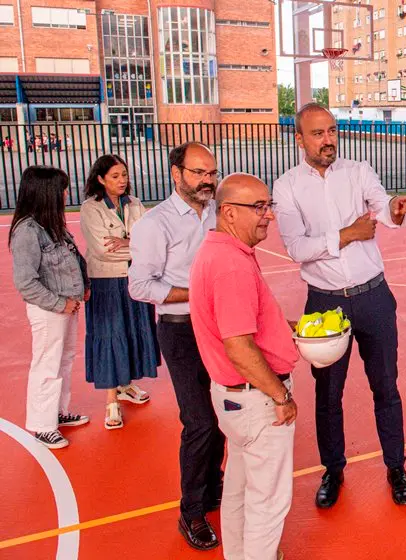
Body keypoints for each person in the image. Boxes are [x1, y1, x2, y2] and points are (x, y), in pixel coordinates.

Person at [273, 103, 406, 509]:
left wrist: (395, 210)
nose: (328, 140)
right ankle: (333, 470)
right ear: (299, 139)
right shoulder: (286, 187)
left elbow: (384, 207)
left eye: (332, 131)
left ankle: (396, 467)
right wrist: (348, 234)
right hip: (323, 304)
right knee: (328, 393)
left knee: (386, 387)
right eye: (318, 133)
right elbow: (297, 248)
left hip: (373, 296)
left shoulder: (359, 171)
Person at [190, 174, 299, 560]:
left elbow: (240, 327)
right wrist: (281, 396)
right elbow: (238, 346)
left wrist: (281, 330)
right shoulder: (231, 265)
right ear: (229, 213)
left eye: (268, 206)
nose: (268, 215)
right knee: (268, 501)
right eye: (259, 207)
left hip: (235, 400)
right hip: (256, 401)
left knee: (238, 489)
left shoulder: (220, 252)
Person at [128, 142, 224, 551]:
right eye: (198, 172)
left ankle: (213, 486)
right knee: (199, 420)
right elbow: (139, 285)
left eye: (211, 172)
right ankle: (192, 512)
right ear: (176, 173)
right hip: (181, 329)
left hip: (220, 327)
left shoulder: (218, 212)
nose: (207, 180)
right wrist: (196, 293)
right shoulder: (156, 224)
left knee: (223, 410)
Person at [9, 166, 90, 448]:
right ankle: (42, 425)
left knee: (64, 359)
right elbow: (26, 282)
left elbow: (73, 258)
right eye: (62, 189)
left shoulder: (52, 225)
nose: (66, 194)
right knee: (47, 363)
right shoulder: (28, 231)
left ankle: (57, 411)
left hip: (67, 306)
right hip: (50, 310)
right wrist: (59, 303)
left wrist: (83, 287)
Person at [80, 155, 160, 430]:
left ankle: (126, 384)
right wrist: (136, 247)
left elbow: (150, 243)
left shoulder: (135, 204)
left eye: (124, 174)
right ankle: (111, 400)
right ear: (101, 179)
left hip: (135, 279)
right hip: (106, 282)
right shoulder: (91, 209)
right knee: (110, 334)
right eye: (115, 175)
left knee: (133, 331)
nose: (122, 180)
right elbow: (103, 250)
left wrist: (126, 242)